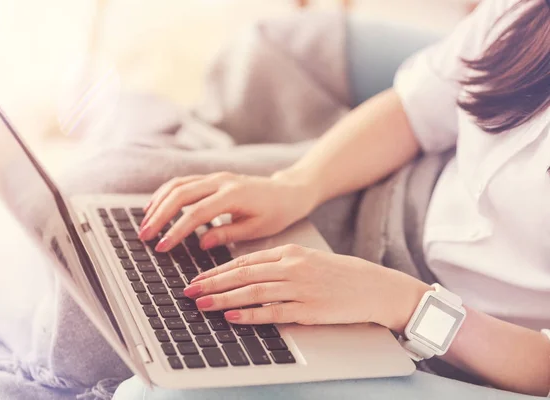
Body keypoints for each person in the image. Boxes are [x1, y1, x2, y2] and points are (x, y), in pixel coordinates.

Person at [116, 0, 550, 398]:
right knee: (116, 185)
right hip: (390, 192)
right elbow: (414, 110)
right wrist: (296, 186)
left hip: (461, 340)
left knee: (174, 379)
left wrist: (407, 304)